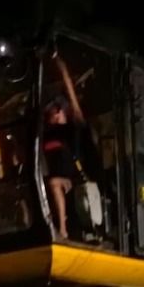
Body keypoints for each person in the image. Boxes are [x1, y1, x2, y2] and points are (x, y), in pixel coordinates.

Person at [42, 55, 87, 240]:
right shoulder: (47, 133)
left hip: (71, 175)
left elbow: (71, 95)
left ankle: (62, 229)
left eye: (52, 111)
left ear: (60, 111)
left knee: (53, 183)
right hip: (53, 174)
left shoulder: (73, 125)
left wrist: (63, 70)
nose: (50, 115)